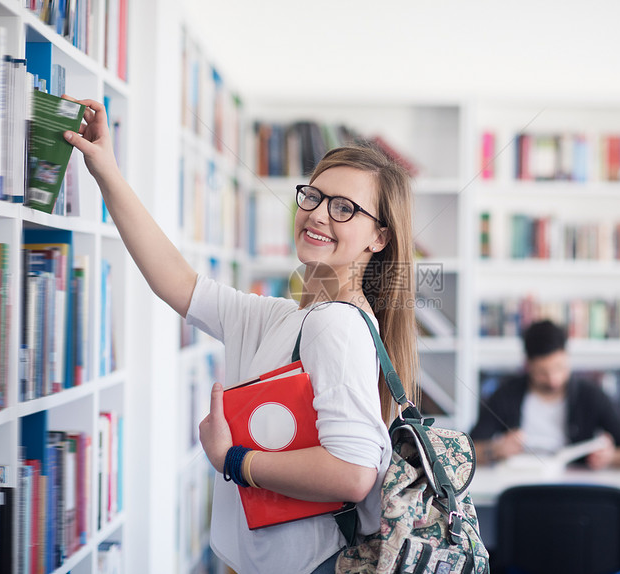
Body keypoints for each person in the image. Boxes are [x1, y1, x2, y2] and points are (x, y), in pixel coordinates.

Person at [63, 98, 419, 574]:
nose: (317, 214)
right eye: (312, 196)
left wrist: (232, 459)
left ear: (379, 237)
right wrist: (105, 167)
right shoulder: (285, 318)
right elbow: (178, 282)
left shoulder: (336, 326)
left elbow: (352, 474)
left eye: (343, 208)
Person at [470, 319, 620, 469]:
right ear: (527, 365)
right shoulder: (506, 394)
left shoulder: (590, 395)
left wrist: (611, 457)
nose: (553, 379)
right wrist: (496, 449)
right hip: (520, 484)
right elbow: (466, 452)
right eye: (542, 372)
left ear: (567, 357)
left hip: (573, 487)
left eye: (559, 368)